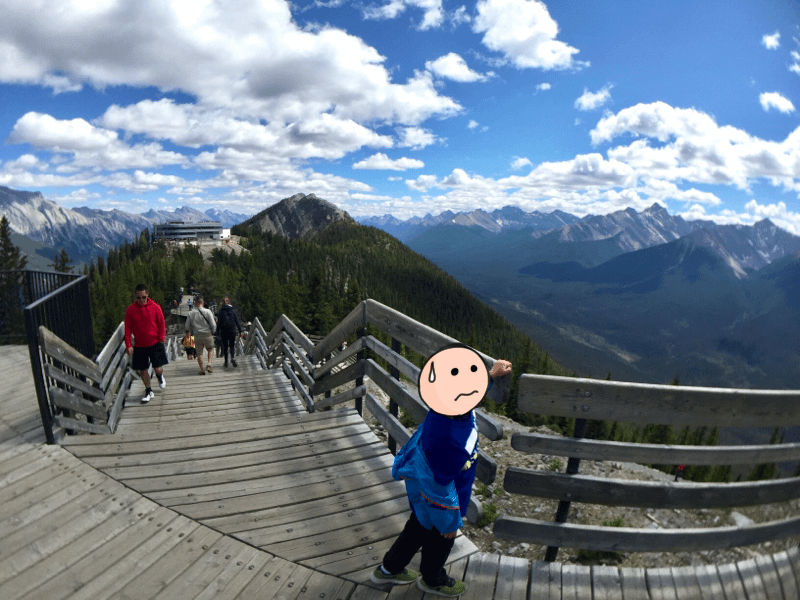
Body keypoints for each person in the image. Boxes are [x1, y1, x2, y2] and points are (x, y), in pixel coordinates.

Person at [371, 343, 512, 596]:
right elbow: (439, 486)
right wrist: (449, 522)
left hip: (423, 488)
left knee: (416, 528)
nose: (476, 392)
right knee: (440, 538)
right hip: (441, 496)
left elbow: (465, 389)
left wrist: (490, 374)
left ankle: (389, 569)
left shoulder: (447, 409)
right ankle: (432, 579)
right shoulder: (450, 440)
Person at [124, 284, 168, 403]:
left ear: (147, 295)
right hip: (139, 344)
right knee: (142, 369)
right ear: (135, 297)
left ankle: (159, 376)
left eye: (143, 297)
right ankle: (148, 390)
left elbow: (161, 323)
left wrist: (161, 337)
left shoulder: (155, 307)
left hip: (155, 342)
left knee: (157, 368)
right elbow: (127, 328)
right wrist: (128, 344)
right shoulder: (131, 310)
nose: (141, 300)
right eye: (138, 298)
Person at [185, 295, 216, 375]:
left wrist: (190, 332)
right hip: (207, 334)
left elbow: (187, 326)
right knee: (210, 349)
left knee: (199, 353)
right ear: (203, 302)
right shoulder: (208, 312)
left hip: (197, 335)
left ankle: (202, 370)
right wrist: (213, 331)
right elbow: (213, 324)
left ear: (195, 303)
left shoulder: (191, 313)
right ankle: (209, 364)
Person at [217, 295, 244, 368]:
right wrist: (240, 330)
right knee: (232, 345)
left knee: (225, 346)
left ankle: (226, 362)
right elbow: (237, 321)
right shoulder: (233, 310)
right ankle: (232, 358)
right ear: (229, 302)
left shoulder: (221, 311)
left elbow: (219, 323)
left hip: (224, 331)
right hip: (232, 330)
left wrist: (217, 333)